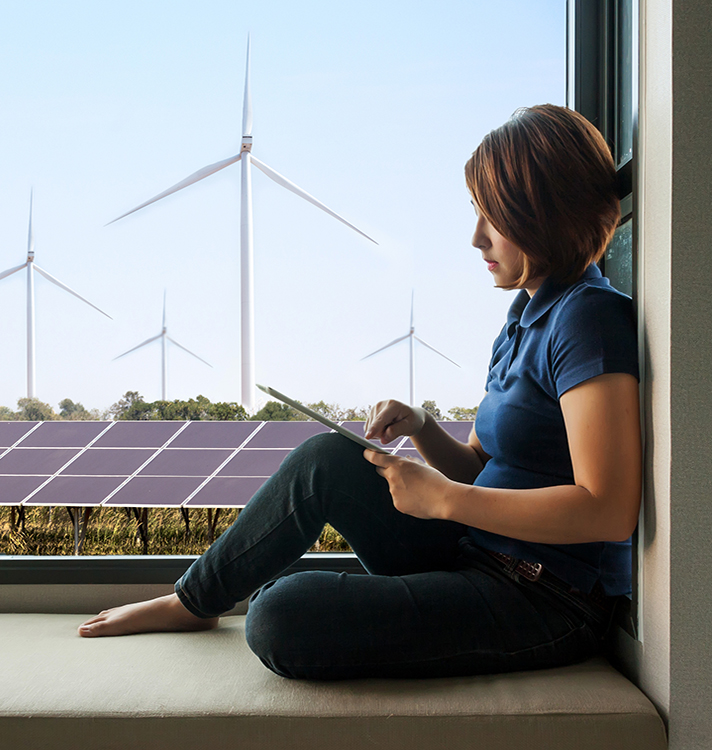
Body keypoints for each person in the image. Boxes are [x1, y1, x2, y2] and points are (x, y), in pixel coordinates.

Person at [78, 104, 641, 682]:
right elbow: (479, 468)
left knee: (279, 614)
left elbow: (610, 508)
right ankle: (192, 601)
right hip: (476, 549)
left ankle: (256, 598)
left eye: (493, 217)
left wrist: (446, 502)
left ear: (542, 213)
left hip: (548, 597)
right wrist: (422, 426)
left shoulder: (589, 319)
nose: (476, 238)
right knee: (326, 458)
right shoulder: (525, 315)